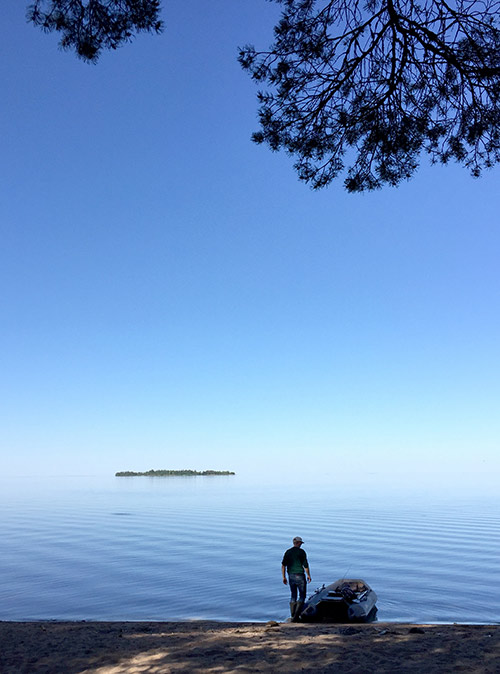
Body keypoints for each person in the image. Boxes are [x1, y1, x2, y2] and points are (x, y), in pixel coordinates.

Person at [281, 536, 311, 621]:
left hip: (291, 576)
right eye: (300, 543)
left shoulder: (288, 552)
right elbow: (306, 565)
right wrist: (308, 575)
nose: (301, 544)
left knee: (293, 595)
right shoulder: (302, 552)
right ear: (298, 543)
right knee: (302, 595)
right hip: (300, 575)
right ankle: (296, 617)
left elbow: (283, 565)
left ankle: (293, 615)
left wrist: (284, 577)